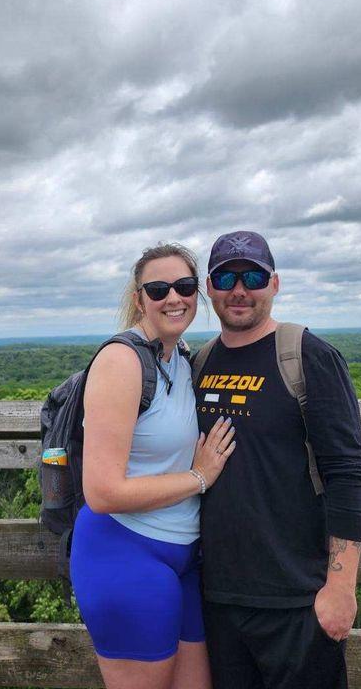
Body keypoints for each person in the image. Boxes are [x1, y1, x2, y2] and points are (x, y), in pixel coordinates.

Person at [194, 231, 361, 689]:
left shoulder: (307, 355)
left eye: (252, 277)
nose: (239, 290)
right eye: (226, 278)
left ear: (274, 284)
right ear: (209, 288)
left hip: (298, 599)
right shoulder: (200, 364)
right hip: (219, 599)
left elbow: (347, 472)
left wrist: (341, 589)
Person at [70, 242, 236, 689]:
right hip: (125, 554)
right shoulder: (121, 361)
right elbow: (102, 492)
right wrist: (199, 477)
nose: (173, 298)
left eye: (184, 286)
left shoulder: (179, 358)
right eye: (158, 289)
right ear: (139, 299)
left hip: (183, 558)